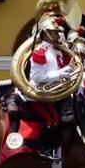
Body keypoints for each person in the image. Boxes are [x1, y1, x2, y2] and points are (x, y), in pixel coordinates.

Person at [8, 13, 78, 160]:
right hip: (37, 95)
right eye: (55, 33)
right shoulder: (40, 52)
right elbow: (38, 78)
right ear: (46, 34)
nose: (58, 35)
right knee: (52, 121)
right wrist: (61, 73)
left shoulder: (57, 52)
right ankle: (42, 149)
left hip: (51, 94)